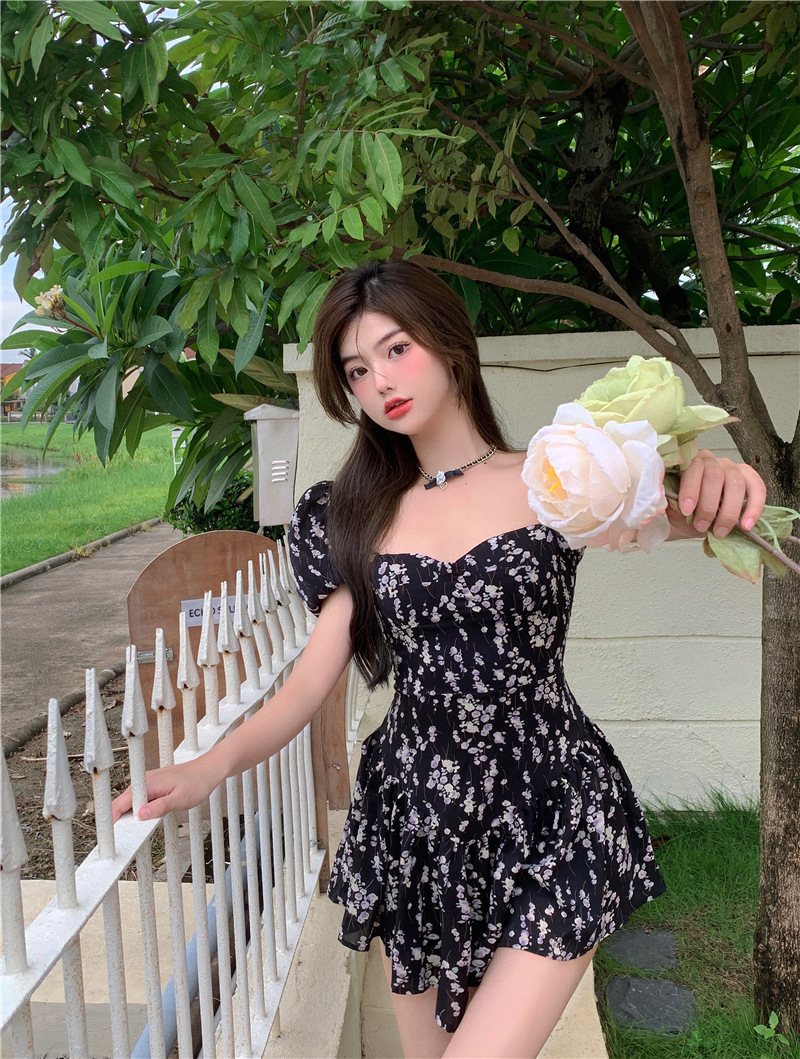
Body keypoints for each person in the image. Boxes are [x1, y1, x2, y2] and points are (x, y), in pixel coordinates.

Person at [113, 260, 767, 1058]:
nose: (380, 381)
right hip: (420, 822)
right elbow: (307, 685)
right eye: (357, 369)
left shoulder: (560, 481)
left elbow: (707, 510)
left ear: (450, 343)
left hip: (553, 803)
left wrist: (722, 473)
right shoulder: (355, 515)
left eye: (396, 349)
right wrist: (209, 765)